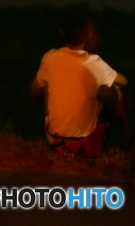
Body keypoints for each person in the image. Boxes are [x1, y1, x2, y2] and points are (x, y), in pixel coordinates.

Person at [30, 9, 127, 158]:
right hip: (85, 144)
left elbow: (34, 89)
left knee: (46, 84)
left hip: (55, 141)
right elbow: (122, 81)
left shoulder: (49, 58)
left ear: (62, 32)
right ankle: (125, 139)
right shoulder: (96, 63)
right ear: (88, 35)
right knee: (115, 91)